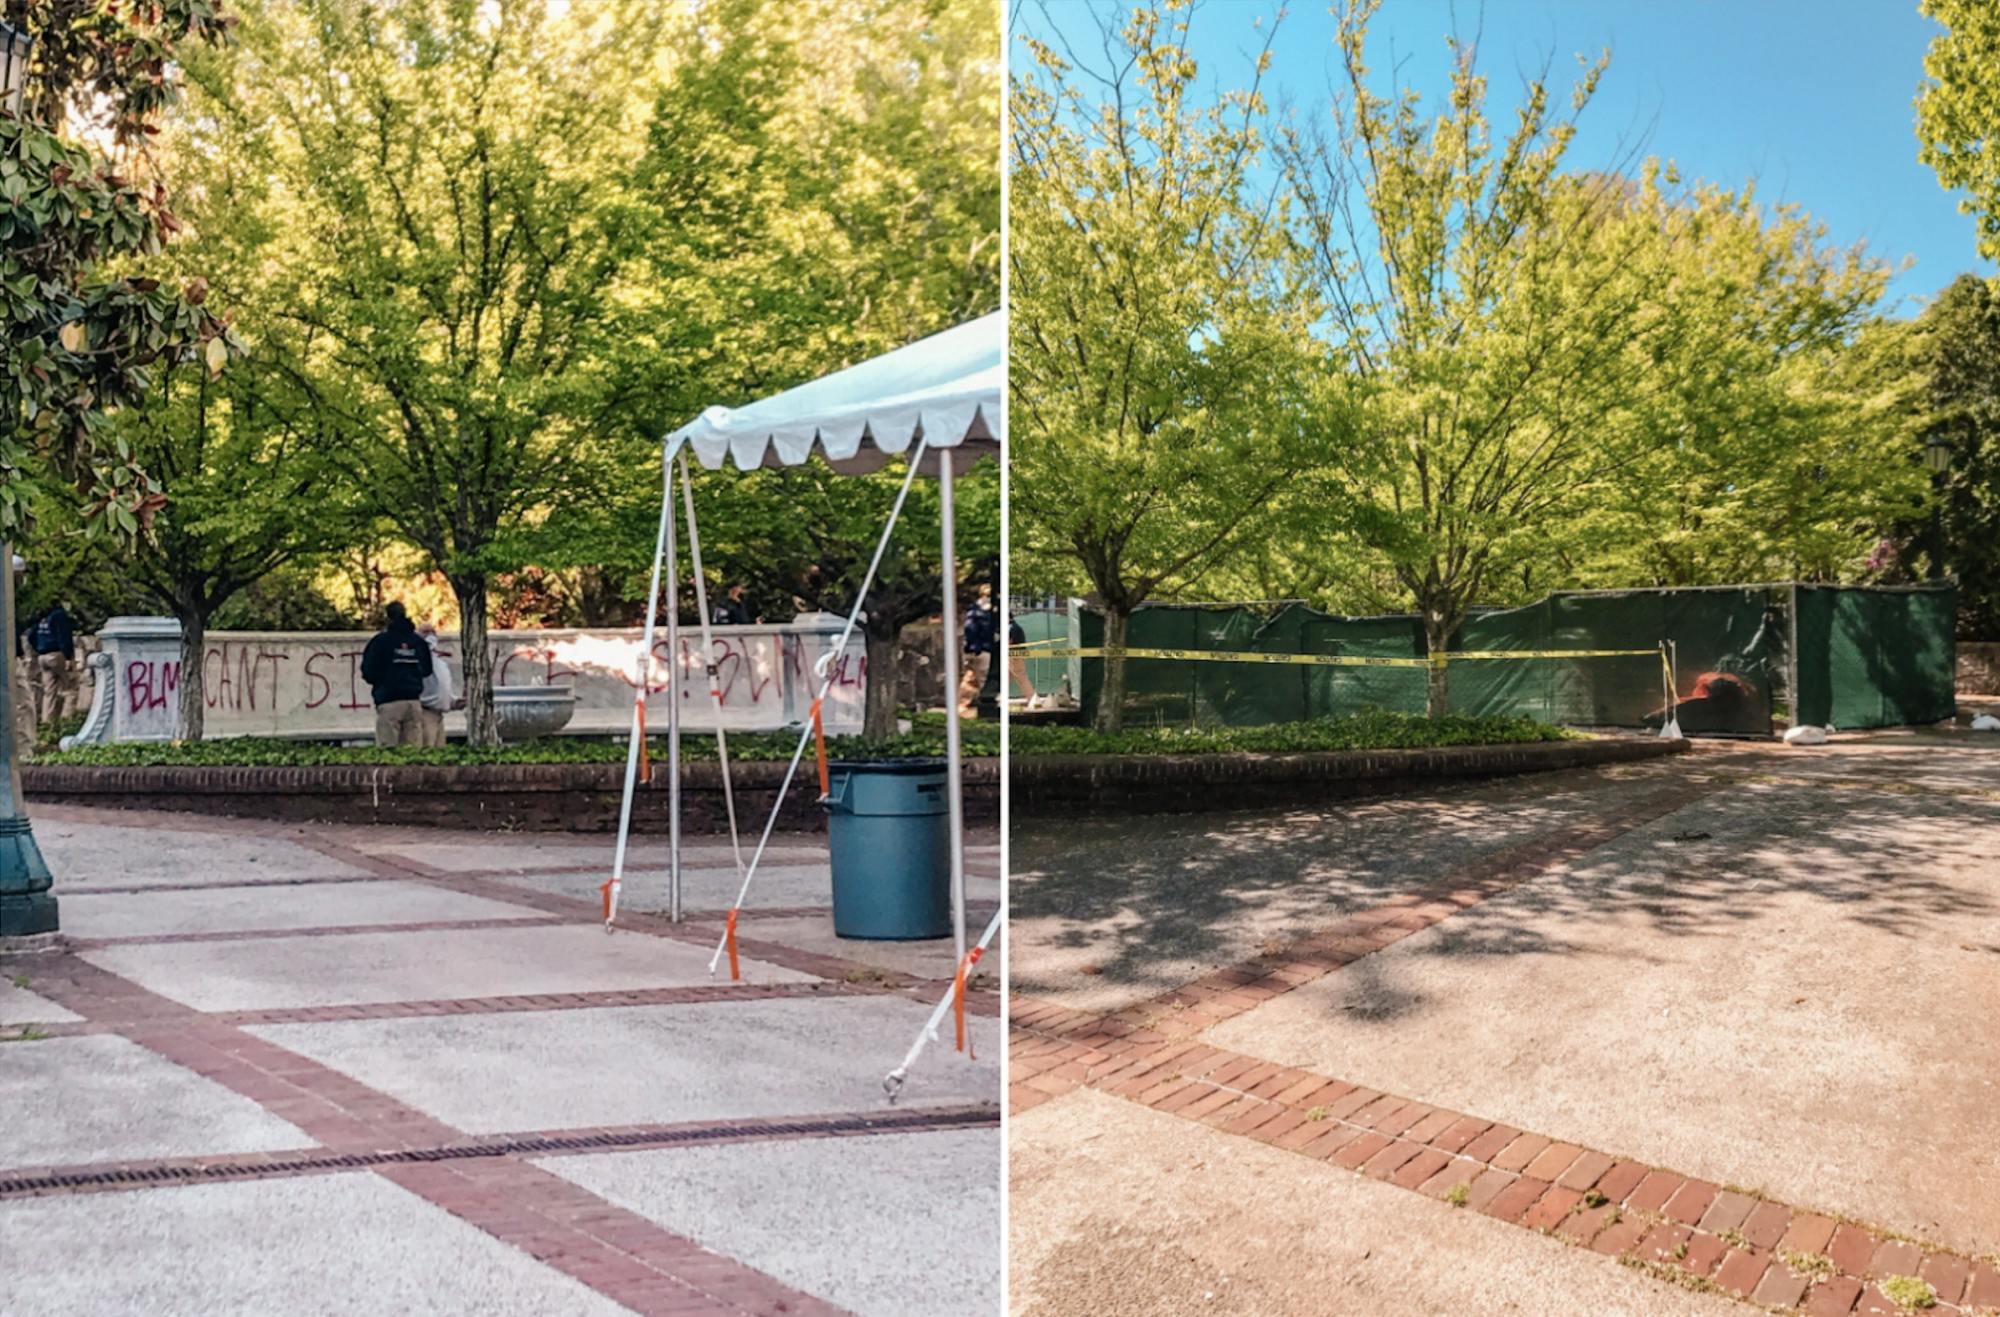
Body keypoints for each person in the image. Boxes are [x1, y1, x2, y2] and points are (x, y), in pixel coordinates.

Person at [359, 602, 433, 746]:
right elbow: (427, 669)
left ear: (388, 617)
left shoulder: (380, 641)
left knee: (388, 752)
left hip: (389, 700)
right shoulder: (418, 642)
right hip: (413, 701)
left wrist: (382, 681)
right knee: (412, 754)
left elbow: (368, 670)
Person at [26, 601, 76, 727]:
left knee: (49, 692)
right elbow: (64, 636)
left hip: (43, 656)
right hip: (57, 654)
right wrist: (68, 656)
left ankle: (47, 721)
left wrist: (38, 648)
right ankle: (67, 721)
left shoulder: (43, 618)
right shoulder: (59, 615)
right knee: (70, 688)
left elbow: (31, 635)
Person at [416, 624, 462, 748]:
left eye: (433, 632)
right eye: (425, 632)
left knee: (439, 751)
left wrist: (454, 702)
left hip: (439, 715)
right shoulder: (418, 661)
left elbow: (441, 688)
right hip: (425, 713)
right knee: (426, 750)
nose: (430, 635)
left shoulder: (440, 663)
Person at [960, 584, 998, 712]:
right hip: (982, 649)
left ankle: (962, 706)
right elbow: (971, 629)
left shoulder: (973, 610)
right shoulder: (983, 613)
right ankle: (983, 706)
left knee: (970, 679)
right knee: (983, 679)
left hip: (974, 649)